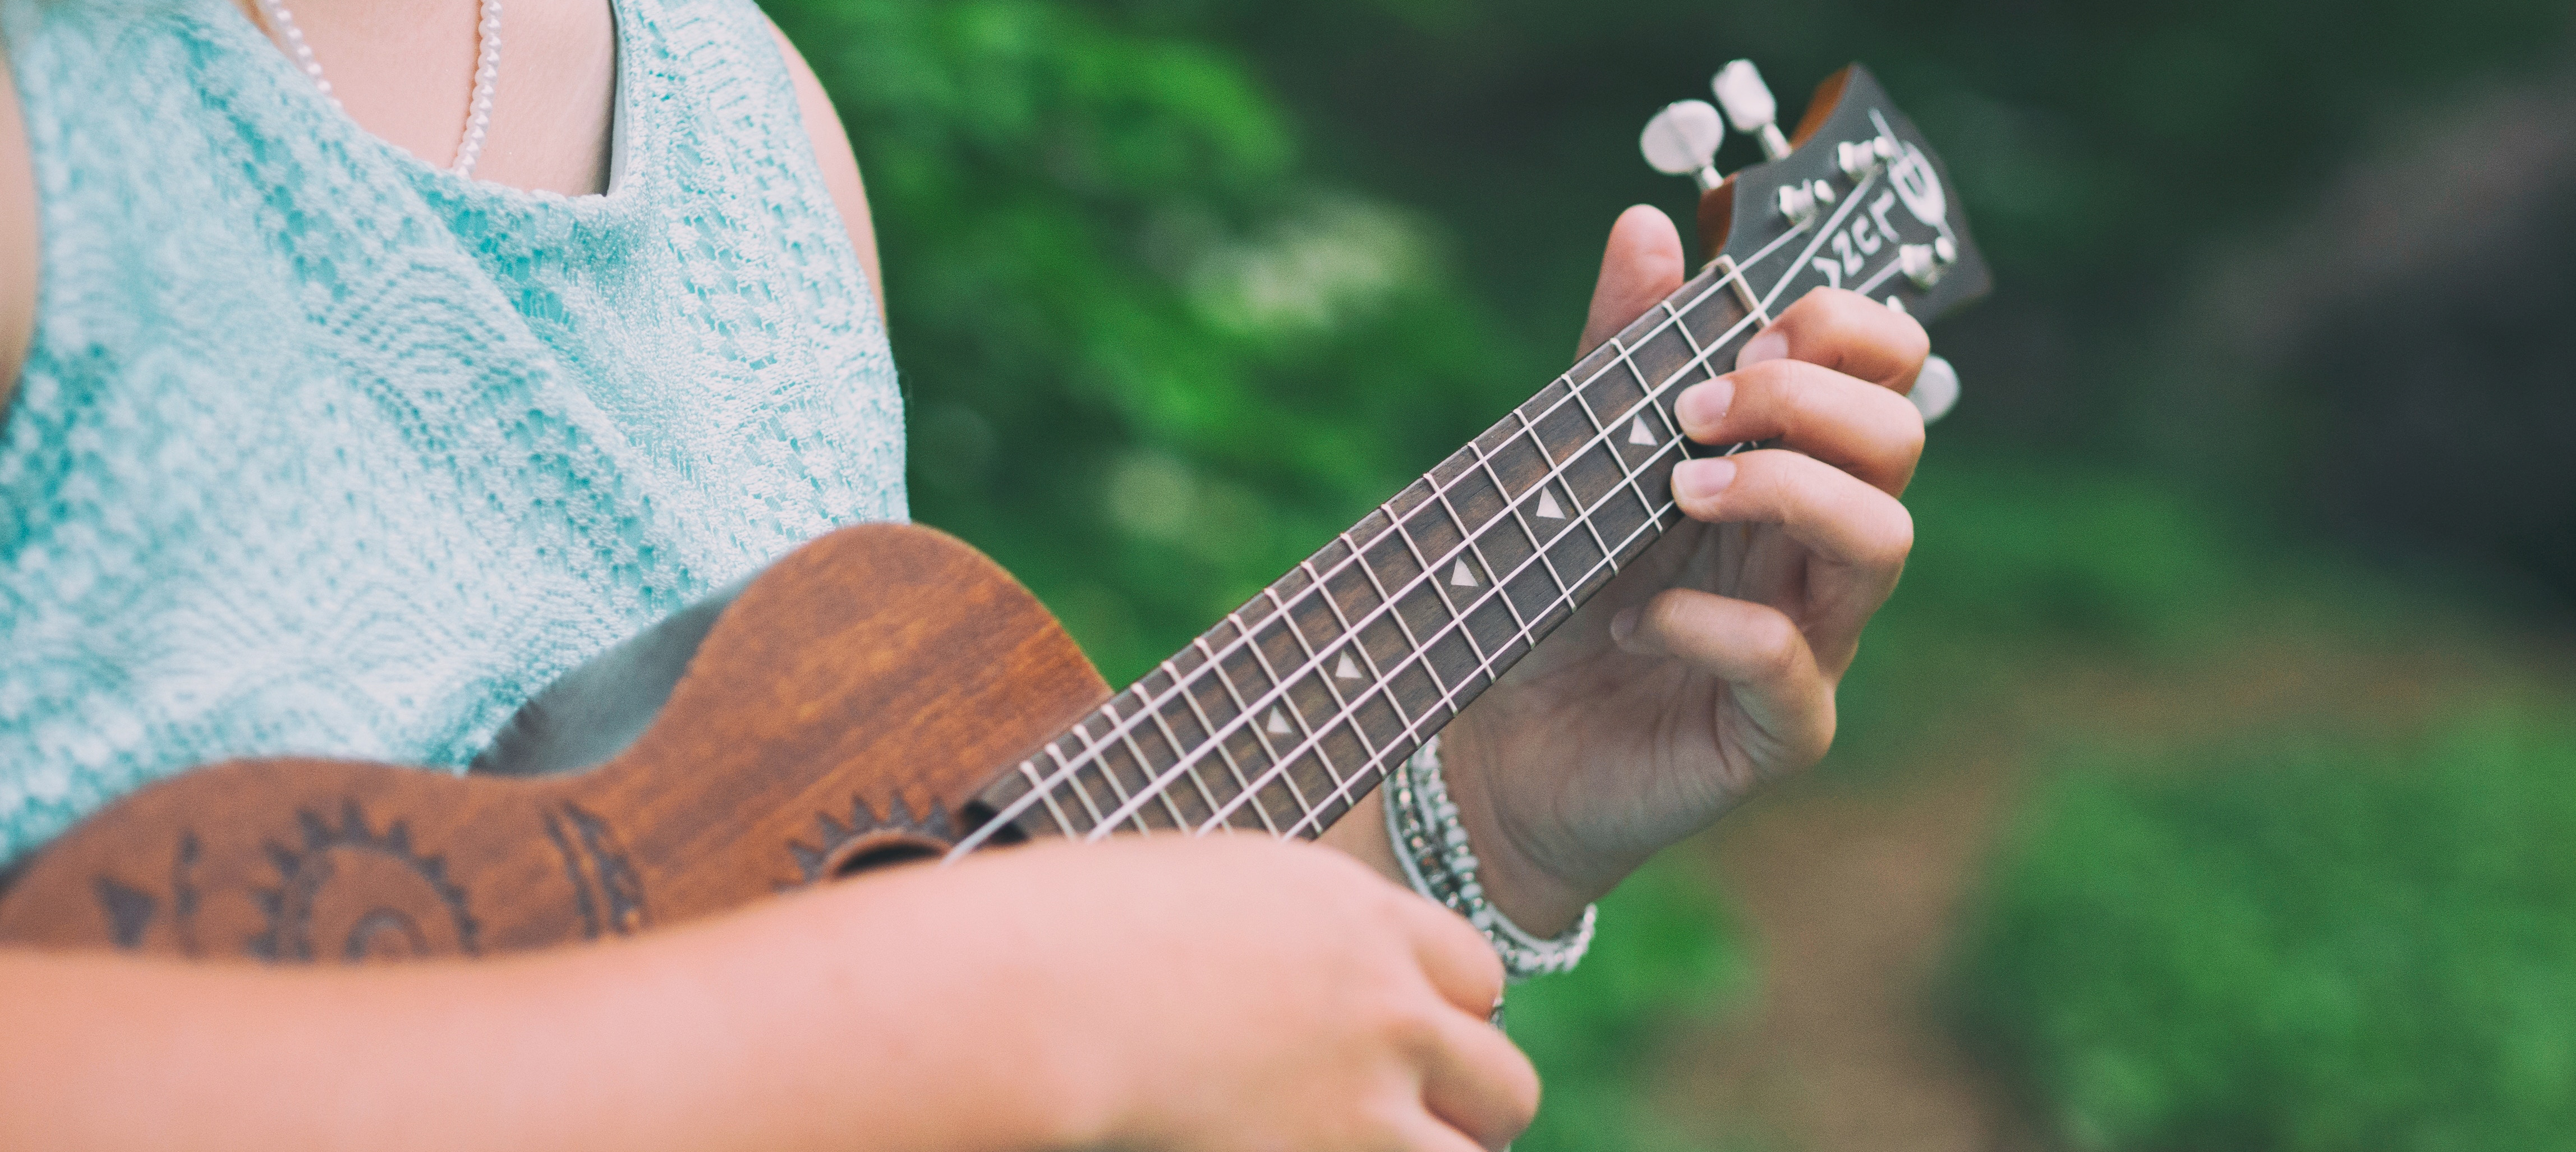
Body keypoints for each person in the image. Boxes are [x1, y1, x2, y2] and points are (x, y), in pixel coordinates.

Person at [0, 0, 1928, 1147]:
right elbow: (934, 1009)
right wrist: (1015, 1014)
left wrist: (1480, 808)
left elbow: (829, 973)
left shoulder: (752, 127)